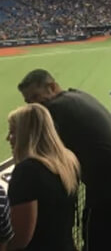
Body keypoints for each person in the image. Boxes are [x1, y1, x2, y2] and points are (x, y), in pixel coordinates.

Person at [17, 69, 111, 251]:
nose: (33, 105)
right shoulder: (77, 95)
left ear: (52, 87)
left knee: (95, 244)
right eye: (28, 101)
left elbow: (45, 149)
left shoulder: (54, 108)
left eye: (35, 97)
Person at [7, 103, 80, 251]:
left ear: (26, 135)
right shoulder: (68, 161)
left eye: (13, 132)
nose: (8, 138)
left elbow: (20, 239)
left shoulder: (26, 172)